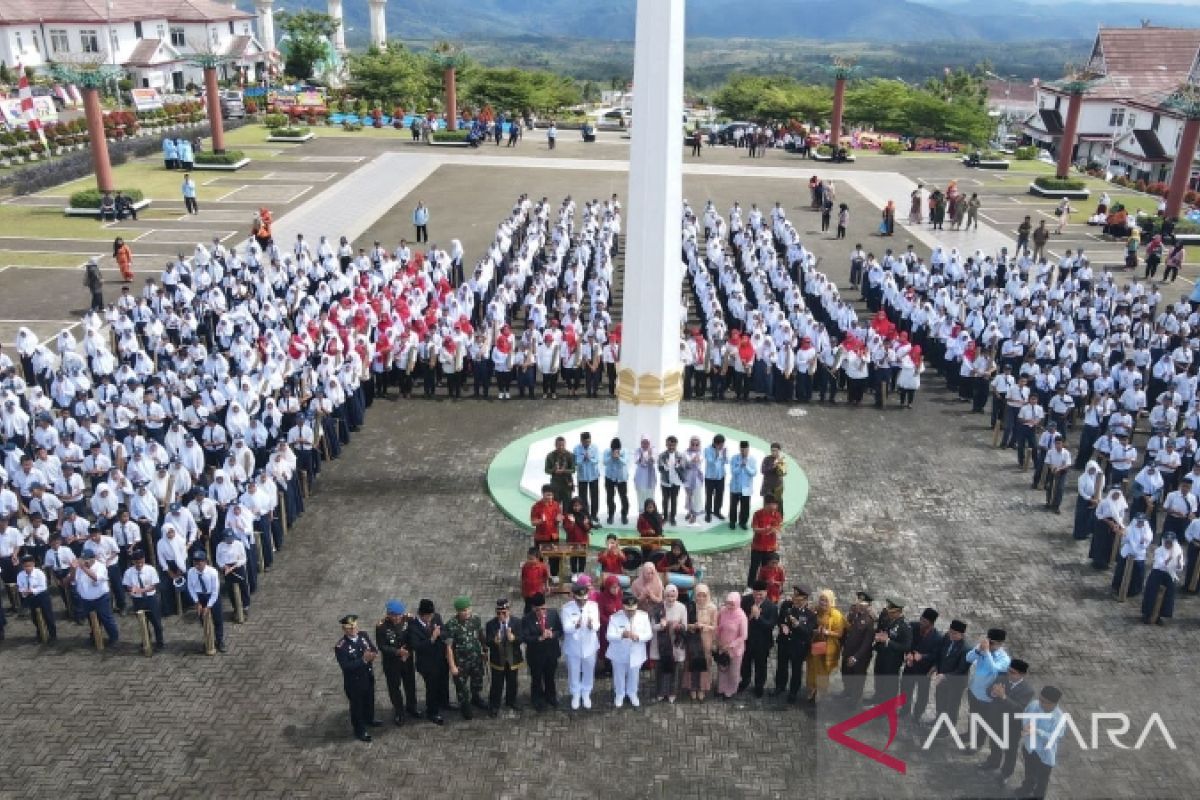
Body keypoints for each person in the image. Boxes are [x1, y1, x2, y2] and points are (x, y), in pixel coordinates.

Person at [981, 658, 1035, 785]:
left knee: (1010, 751)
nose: (1009, 674)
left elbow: (1019, 708)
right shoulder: (1001, 678)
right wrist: (993, 693)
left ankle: (1006, 773)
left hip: (1012, 726)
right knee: (994, 743)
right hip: (996, 720)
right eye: (1008, 671)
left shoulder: (1027, 690)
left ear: (1022, 675)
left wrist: (1003, 697)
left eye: (1013, 672)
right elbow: (988, 690)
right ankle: (993, 762)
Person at [334, 614, 380, 742]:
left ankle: (370, 719)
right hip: (355, 683)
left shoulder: (363, 635)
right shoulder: (341, 647)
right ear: (344, 629)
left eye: (354, 626)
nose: (353, 629)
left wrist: (373, 654)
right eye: (350, 628)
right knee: (357, 707)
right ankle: (360, 730)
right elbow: (346, 667)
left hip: (368, 677)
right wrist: (364, 660)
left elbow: (373, 648)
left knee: (370, 700)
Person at [1014, 686, 1065, 799]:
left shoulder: (1059, 718)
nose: (1040, 703)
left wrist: (1037, 731)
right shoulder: (1034, 705)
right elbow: (1025, 715)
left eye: (1044, 702)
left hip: (1044, 754)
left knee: (1042, 780)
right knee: (1029, 772)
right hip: (1029, 748)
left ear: (1054, 704)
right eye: (1040, 699)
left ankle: (1038, 796)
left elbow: (1055, 737)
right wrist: (1026, 726)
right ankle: (1027, 787)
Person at [376, 599, 420, 725]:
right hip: (392, 663)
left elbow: (414, 636)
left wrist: (408, 651)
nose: (396, 618)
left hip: (407, 660)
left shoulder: (409, 620)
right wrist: (397, 652)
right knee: (394, 688)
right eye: (393, 615)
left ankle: (412, 707)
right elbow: (382, 646)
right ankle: (399, 712)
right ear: (388, 614)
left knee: (410, 685)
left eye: (399, 615)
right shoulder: (381, 626)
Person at [407, 598, 450, 724]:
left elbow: (444, 631)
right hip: (427, 664)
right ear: (422, 615)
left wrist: (440, 634)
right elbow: (417, 646)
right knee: (432, 688)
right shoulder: (413, 627)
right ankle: (432, 711)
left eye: (431, 615)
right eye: (428, 616)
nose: (431, 618)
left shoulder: (436, 617)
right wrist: (432, 638)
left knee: (443, 682)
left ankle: (444, 702)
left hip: (440, 658)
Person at [445, 596, 487, 720]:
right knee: (462, 687)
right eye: (464, 610)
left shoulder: (475, 620)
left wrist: (484, 649)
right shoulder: (451, 625)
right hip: (461, 662)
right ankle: (465, 705)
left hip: (475, 659)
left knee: (477, 680)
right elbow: (449, 647)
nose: (467, 612)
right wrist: (452, 666)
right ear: (458, 611)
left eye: (468, 609)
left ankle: (476, 698)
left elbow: (480, 635)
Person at [606, 590, 651, 707]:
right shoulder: (614, 618)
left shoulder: (644, 616)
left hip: (636, 652)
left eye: (633, 610)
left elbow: (649, 634)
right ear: (623, 607)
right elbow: (609, 636)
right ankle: (619, 693)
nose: (631, 612)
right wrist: (621, 635)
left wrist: (639, 637)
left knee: (634, 674)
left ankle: (632, 693)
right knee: (619, 675)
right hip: (618, 653)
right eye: (628, 610)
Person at [561, 580, 600, 709]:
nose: (582, 602)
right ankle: (575, 693)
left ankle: (586, 692)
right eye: (579, 600)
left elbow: (597, 625)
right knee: (574, 671)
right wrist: (575, 625)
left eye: (584, 599)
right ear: (574, 597)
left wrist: (591, 625)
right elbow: (566, 628)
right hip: (573, 647)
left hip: (590, 646)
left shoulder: (593, 606)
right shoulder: (566, 608)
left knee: (589, 670)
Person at [774, 584, 816, 702]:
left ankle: (793, 692)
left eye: (798, 598)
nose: (795, 599)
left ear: (805, 599)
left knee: (796, 670)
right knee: (781, 666)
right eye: (795, 596)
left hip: (798, 647)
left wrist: (797, 625)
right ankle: (780, 686)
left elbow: (808, 632)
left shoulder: (810, 614)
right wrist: (782, 626)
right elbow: (780, 619)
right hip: (784, 643)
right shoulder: (786, 605)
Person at [521, 592, 563, 711]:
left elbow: (560, 631)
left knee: (550, 676)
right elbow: (524, 637)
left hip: (551, 653)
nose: (541, 612)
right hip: (536, 655)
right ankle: (537, 698)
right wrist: (538, 638)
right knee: (537, 678)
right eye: (538, 609)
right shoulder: (527, 619)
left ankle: (551, 696)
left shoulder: (553, 614)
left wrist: (553, 634)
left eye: (543, 609)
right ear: (533, 608)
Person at [898, 607, 941, 721]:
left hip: (924, 671)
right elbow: (907, 643)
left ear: (931, 624)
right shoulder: (913, 626)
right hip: (910, 666)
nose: (921, 623)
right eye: (921, 619)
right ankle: (905, 709)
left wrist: (922, 656)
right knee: (905, 689)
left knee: (922, 694)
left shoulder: (937, 638)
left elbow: (935, 655)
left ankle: (917, 714)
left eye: (925, 622)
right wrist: (908, 655)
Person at [867, 598, 912, 703]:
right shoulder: (889, 620)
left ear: (899, 612)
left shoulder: (905, 626)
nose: (889, 614)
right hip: (882, 656)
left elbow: (906, 646)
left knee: (889, 685)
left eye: (892, 612)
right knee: (879, 679)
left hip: (892, 661)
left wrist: (888, 641)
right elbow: (882, 630)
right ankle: (877, 697)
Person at [738, 579, 778, 697]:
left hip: (762, 643)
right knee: (745, 663)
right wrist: (749, 616)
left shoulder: (771, 607)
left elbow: (770, 625)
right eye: (756, 594)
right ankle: (745, 680)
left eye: (761, 594)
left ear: (766, 593)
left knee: (761, 666)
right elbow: (739, 618)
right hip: (747, 640)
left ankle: (759, 686)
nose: (758, 597)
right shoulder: (745, 600)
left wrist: (758, 616)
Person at [965, 628, 1011, 729]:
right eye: (988, 641)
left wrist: (986, 652)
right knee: (972, 715)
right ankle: (969, 734)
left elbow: (994, 669)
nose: (989, 645)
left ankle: (979, 742)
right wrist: (977, 650)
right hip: (973, 690)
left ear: (1000, 643)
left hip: (986, 697)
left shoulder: (1004, 659)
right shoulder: (982, 648)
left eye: (992, 643)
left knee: (984, 721)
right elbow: (968, 658)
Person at [75, 543, 119, 646]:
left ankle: (114, 637)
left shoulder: (100, 567)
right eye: (83, 559)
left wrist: (83, 568)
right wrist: (74, 568)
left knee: (106, 618)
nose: (85, 561)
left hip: (101, 598)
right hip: (86, 599)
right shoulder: (80, 568)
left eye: (87, 559)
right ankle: (95, 635)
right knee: (91, 619)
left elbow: (96, 578)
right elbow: (76, 580)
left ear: (93, 558)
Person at [484, 598, 522, 715]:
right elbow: (488, 641)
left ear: (509, 611)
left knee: (512, 682)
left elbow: (522, 638)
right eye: (498, 613)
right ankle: (494, 705)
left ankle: (511, 701)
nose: (501, 616)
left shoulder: (517, 622)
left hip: (512, 659)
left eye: (504, 613)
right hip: (498, 660)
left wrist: (514, 638)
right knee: (497, 684)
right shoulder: (491, 624)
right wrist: (494, 641)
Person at [651, 583, 688, 702]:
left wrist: (678, 626)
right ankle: (660, 691)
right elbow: (652, 627)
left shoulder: (682, 607)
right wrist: (661, 626)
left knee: (675, 670)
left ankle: (672, 692)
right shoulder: (658, 608)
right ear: (664, 595)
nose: (671, 599)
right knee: (660, 669)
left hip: (675, 644)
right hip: (661, 644)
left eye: (673, 596)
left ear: (676, 596)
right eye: (668, 596)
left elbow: (685, 626)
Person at [931, 619, 971, 727]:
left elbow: (961, 670)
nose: (951, 635)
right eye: (950, 631)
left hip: (955, 683)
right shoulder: (947, 637)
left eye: (955, 633)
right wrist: (936, 666)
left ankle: (948, 727)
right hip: (942, 677)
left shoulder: (966, 649)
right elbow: (940, 653)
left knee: (951, 705)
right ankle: (938, 720)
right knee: (940, 700)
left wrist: (944, 676)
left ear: (962, 635)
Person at [122, 548, 164, 650]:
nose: (139, 564)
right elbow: (127, 585)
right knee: (142, 622)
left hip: (150, 599)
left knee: (156, 622)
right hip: (138, 600)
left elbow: (154, 585)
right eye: (137, 562)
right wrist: (132, 589)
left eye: (141, 562)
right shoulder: (129, 572)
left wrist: (142, 590)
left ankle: (160, 642)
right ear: (133, 562)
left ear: (144, 560)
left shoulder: (151, 569)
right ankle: (146, 640)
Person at [840, 590, 875, 703]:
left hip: (860, 656)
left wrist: (856, 657)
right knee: (845, 673)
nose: (858, 604)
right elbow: (847, 630)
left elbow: (867, 643)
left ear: (868, 605)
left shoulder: (869, 620)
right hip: (848, 651)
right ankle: (847, 692)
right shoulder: (854, 613)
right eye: (858, 601)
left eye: (862, 603)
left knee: (857, 679)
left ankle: (854, 700)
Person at [186, 550, 225, 652]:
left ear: (205, 561)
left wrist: (208, 606)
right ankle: (209, 640)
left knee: (218, 620)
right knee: (203, 620)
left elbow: (215, 591)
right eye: (195, 562)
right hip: (200, 597)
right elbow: (190, 587)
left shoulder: (212, 572)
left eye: (200, 562)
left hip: (212, 596)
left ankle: (220, 641)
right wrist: (197, 602)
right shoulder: (191, 572)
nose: (197, 564)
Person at [684, 582, 717, 701]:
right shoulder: (691, 606)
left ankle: (702, 688)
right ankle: (692, 687)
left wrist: (703, 626)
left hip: (706, 639)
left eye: (704, 595)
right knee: (691, 661)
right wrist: (692, 626)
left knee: (704, 663)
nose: (701, 598)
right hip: (693, 639)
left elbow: (714, 626)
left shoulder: (712, 608)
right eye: (699, 595)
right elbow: (685, 624)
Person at [1142, 531, 1184, 624]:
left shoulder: (1178, 551)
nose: (1167, 544)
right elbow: (1160, 564)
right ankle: (1147, 614)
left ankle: (1159, 616)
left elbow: (1179, 568)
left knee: (1167, 596)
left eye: (1170, 542)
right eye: (1166, 541)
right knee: (1152, 594)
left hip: (1169, 575)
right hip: (1157, 574)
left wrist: (1177, 561)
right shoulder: (1159, 550)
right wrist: (1169, 559)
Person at [715, 591, 748, 699]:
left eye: (732, 604)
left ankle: (730, 690)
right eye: (727, 603)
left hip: (735, 649)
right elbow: (719, 626)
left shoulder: (742, 616)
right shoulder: (723, 611)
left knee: (733, 672)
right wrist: (718, 640)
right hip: (722, 646)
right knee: (722, 669)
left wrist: (731, 645)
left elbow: (743, 636)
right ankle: (721, 689)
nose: (729, 606)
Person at [16, 554, 56, 642]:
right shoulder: (20, 575)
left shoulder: (39, 573)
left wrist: (32, 590)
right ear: (22, 566)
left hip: (42, 596)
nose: (27, 568)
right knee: (34, 617)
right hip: (30, 597)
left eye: (29, 566)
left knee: (48, 615)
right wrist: (24, 591)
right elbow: (20, 587)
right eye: (25, 566)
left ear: (33, 564)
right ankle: (40, 633)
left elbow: (43, 587)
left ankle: (53, 634)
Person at [531, 484, 563, 582]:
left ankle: (554, 575)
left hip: (553, 536)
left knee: (554, 557)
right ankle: (540, 575)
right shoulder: (536, 506)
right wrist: (541, 521)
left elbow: (559, 518)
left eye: (551, 495)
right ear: (543, 494)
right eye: (547, 495)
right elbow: (533, 522)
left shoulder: (556, 505)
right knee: (539, 557)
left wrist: (559, 519)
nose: (549, 497)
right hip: (541, 537)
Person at [748, 496, 782, 588]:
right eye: (773, 504)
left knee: (766, 568)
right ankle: (750, 586)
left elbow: (778, 527)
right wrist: (765, 530)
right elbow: (755, 528)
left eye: (776, 504)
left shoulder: (777, 515)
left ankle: (763, 587)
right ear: (767, 504)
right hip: (757, 546)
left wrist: (774, 530)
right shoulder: (758, 514)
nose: (775, 506)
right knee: (754, 568)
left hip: (770, 548)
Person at [573, 432, 601, 526]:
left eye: (589, 441)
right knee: (582, 497)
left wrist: (590, 458)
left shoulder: (595, 447)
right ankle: (585, 514)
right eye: (585, 442)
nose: (587, 443)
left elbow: (597, 460)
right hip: (582, 477)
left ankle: (594, 515)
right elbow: (575, 462)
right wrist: (582, 459)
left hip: (593, 475)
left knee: (594, 496)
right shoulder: (576, 449)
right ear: (581, 441)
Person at [657, 435, 685, 525]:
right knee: (665, 500)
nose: (671, 447)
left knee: (674, 500)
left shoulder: (680, 455)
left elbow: (684, 468)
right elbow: (660, 469)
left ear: (676, 445)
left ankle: (672, 517)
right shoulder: (662, 455)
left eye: (673, 445)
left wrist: (679, 466)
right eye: (669, 445)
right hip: (665, 482)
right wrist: (664, 467)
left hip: (676, 482)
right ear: (666, 444)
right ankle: (665, 517)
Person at [729, 440, 757, 530]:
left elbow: (753, 473)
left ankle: (743, 522)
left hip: (746, 487)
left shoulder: (752, 459)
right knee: (733, 506)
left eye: (745, 450)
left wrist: (746, 466)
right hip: (735, 487)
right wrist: (740, 466)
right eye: (742, 450)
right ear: (739, 449)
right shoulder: (734, 458)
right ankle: (732, 521)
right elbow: (733, 472)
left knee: (745, 507)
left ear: (748, 449)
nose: (743, 452)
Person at [602, 437, 629, 525]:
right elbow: (604, 462)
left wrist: (618, 457)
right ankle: (611, 515)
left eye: (617, 449)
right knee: (610, 497)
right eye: (614, 449)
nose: (615, 450)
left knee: (623, 497)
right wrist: (612, 456)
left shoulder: (624, 451)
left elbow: (625, 462)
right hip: (610, 478)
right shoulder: (607, 451)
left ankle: (624, 515)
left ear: (620, 448)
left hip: (621, 478)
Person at [703, 434, 728, 523]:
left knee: (719, 495)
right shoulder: (707, 449)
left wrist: (724, 456)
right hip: (710, 477)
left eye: (723, 444)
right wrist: (717, 453)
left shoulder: (724, 449)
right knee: (709, 496)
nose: (722, 446)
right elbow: (711, 462)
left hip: (720, 476)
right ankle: (708, 514)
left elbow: (726, 461)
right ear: (715, 443)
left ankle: (717, 511)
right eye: (720, 444)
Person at [520, 546, 552, 615]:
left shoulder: (542, 567)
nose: (529, 561)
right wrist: (523, 590)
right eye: (528, 559)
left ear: (537, 558)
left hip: (539, 592)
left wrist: (547, 586)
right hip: (528, 593)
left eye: (531, 559)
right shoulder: (525, 567)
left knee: (540, 609)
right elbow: (523, 579)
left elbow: (546, 577)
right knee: (528, 610)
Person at [544, 438, 575, 506]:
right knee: (555, 505)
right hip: (556, 484)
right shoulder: (550, 456)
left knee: (567, 506)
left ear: (565, 444)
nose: (561, 447)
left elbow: (573, 470)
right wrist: (554, 470)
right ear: (555, 445)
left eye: (563, 445)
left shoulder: (570, 455)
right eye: (559, 445)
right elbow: (546, 470)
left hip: (567, 483)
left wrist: (564, 471)